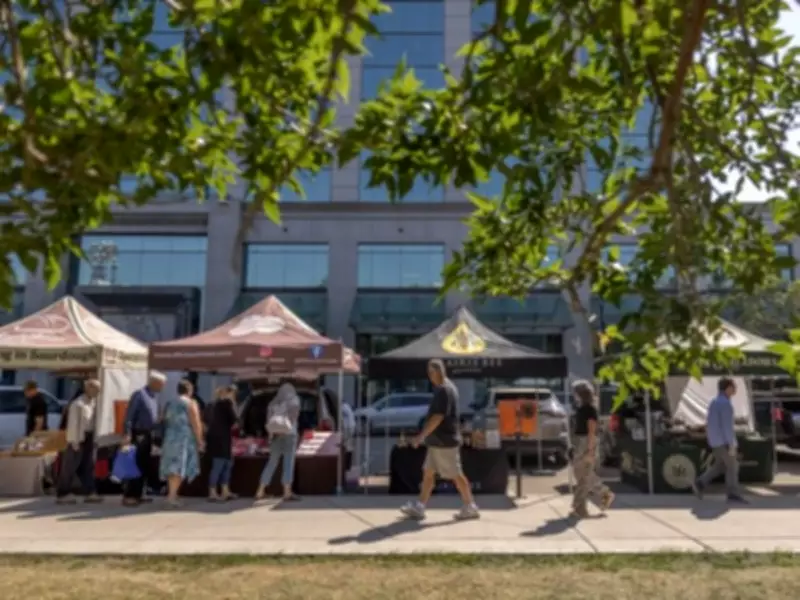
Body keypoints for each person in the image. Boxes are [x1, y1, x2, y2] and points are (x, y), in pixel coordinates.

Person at [401, 359, 479, 521]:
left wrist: (420, 436)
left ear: (438, 371)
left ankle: (470, 506)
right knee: (428, 473)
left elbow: (438, 416)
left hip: (444, 442)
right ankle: (420, 507)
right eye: (428, 373)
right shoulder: (446, 388)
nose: (429, 377)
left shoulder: (444, 390)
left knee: (456, 475)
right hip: (438, 441)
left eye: (431, 372)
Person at [692, 377, 747, 503]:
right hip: (724, 442)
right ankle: (732, 493)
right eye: (733, 387)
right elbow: (727, 426)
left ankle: (700, 483)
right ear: (728, 388)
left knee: (720, 466)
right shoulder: (726, 404)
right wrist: (731, 444)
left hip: (715, 441)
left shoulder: (714, 402)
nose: (735, 390)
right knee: (733, 466)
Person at [570, 380, 614, 518]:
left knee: (584, 476)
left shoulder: (590, 409)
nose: (574, 395)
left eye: (576, 393)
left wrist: (590, 451)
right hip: (579, 441)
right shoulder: (581, 408)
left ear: (580, 394)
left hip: (586, 442)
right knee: (581, 475)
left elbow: (592, 430)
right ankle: (603, 493)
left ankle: (580, 508)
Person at [122, 371, 166, 507]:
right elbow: (129, 417)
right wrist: (127, 434)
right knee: (135, 464)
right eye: (161, 385)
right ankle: (129, 495)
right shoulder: (139, 395)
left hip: (149, 435)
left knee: (144, 466)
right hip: (138, 434)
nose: (163, 388)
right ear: (154, 382)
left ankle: (139, 493)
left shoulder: (154, 397)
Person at [56, 379, 102, 505]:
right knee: (70, 466)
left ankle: (90, 492)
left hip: (89, 436)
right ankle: (63, 493)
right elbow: (73, 424)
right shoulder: (78, 404)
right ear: (88, 388)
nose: (98, 392)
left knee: (88, 465)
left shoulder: (93, 403)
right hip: (78, 437)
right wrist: (74, 441)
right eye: (96, 389)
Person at [159, 379, 204, 508]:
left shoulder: (169, 402)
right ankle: (171, 496)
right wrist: (200, 440)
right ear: (189, 390)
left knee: (171, 467)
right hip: (183, 438)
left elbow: (162, 419)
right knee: (179, 467)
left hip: (170, 437)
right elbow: (196, 422)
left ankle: (172, 493)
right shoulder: (190, 403)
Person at [254, 379, 301, 502]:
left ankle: (260, 490)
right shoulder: (294, 401)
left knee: (272, 462)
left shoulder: (273, 403)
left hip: (275, 436)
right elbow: (294, 418)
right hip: (290, 434)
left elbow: (269, 421)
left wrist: (271, 435)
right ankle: (287, 491)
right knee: (288, 462)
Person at [206, 385, 239, 502]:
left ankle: (222, 490)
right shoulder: (228, 403)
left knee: (223, 464)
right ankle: (215, 492)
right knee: (222, 465)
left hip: (213, 439)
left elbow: (206, 421)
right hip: (223, 439)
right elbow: (236, 421)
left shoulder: (212, 404)